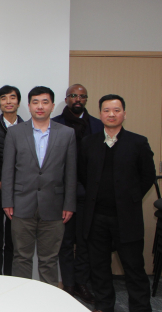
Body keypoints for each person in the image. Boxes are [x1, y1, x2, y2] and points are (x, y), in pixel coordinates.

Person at [79, 94, 155, 312]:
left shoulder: (137, 142)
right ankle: (104, 306)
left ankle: (140, 307)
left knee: (134, 268)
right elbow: (84, 174)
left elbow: (147, 176)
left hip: (126, 217)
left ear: (124, 113)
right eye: (106, 110)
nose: (111, 114)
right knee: (99, 267)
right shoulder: (89, 142)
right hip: (96, 217)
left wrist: (130, 198)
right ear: (100, 113)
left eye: (116, 110)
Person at [1, 86, 76, 285]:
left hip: (54, 206)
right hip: (21, 205)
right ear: (28, 106)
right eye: (35, 102)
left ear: (52, 105)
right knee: (21, 257)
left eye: (44, 102)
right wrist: (7, 200)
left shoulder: (67, 134)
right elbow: (7, 170)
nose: (40, 106)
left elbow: (70, 172)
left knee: (49, 259)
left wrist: (69, 204)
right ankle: (21, 301)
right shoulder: (15, 132)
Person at [52, 84, 102, 303]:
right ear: (66, 99)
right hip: (61, 192)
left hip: (91, 194)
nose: (78, 99)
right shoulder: (55, 124)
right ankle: (69, 284)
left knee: (84, 241)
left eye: (82, 96)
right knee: (64, 241)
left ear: (87, 99)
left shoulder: (98, 125)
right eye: (73, 95)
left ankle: (82, 283)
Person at [0, 85, 24, 276]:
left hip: (20, 193)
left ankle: (11, 281)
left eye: (12, 98)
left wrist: (12, 184)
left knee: (13, 241)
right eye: (4, 98)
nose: (8, 102)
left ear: (18, 101)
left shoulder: (28, 128)